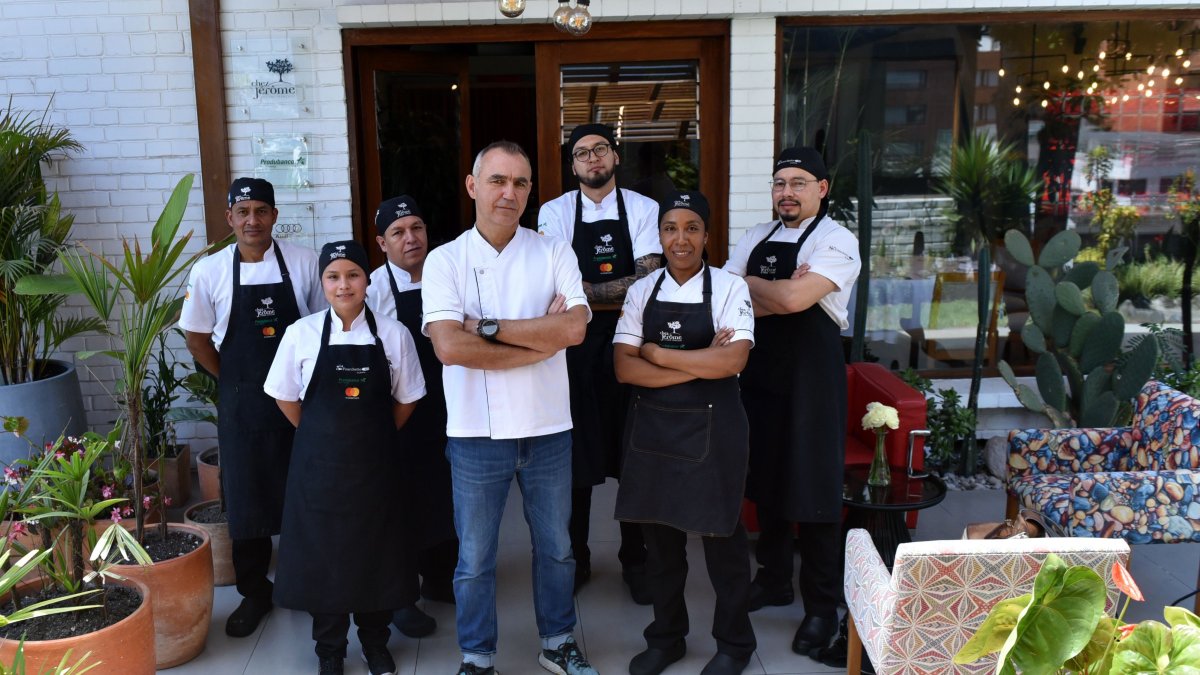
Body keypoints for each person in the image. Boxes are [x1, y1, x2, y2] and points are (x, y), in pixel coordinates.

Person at [422, 140, 599, 675]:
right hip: (476, 433)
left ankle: (559, 641)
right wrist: (540, 344)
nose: (510, 193)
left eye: (520, 183)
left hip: (548, 428)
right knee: (474, 560)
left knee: (558, 549)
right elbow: (449, 347)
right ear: (474, 186)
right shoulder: (445, 259)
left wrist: (488, 329)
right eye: (498, 180)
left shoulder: (552, 251)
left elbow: (574, 327)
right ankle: (477, 656)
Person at [264, 240, 426, 675]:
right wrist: (321, 435)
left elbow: (407, 398)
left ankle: (376, 644)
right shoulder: (301, 334)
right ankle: (330, 651)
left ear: (367, 281)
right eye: (333, 276)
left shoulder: (394, 334)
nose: (343, 284)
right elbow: (284, 396)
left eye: (352, 274)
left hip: (377, 471)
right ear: (322, 283)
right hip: (318, 473)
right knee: (326, 565)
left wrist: (372, 435)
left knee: (378, 560)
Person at [723, 147, 861, 657]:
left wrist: (764, 290)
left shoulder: (837, 239)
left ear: (821, 189)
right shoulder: (755, 235)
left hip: (812, 379)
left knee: (815, 490)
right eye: (780, 182)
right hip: (760, 372)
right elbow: (729, 294)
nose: (787, 191)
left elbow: (793, 302)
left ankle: (822, 609)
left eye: (799, 182)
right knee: (767, 478)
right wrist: (777, 288)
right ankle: (775, 578)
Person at [613, 190, 757, 675]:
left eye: (692, 228)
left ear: (707, 236)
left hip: (716, 428)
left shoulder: (730, 288)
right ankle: (667, 637)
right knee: (661, 548)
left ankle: (735, 644)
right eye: (671, 228)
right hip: (653, 431)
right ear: (659, 235)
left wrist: (658, 354)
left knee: (723, 541)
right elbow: (623, 370)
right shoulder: (641, 291)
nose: (681, 238)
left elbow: (734, 359)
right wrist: (701, 364)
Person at [180, 177, 324, 638]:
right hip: (242, 403)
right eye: (243, 212)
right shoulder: (210, 272)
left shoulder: (303, 262)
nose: (252, 221)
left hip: (300, 400)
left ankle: (311, 585)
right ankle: (254, 592)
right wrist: (234, 381)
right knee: (245, 498)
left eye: (261, 211)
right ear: (229, 219)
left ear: (275, 216)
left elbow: (322, 329)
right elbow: (197, 339)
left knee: (307, 490)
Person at [536, 123, 661, 601]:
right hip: (574, 347)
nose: (593, 160)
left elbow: (650, 277)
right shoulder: (554, 211)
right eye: (582, 153)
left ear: (615, 156)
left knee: (634, 454)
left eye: (600, 150)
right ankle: (578, 559)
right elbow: (552, 283)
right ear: (572, 166)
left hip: (631, 339)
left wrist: (582, 292)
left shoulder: (645, 209)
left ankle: (636, 560)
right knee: (577, 458)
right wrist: (600, 291)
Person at [366, 194, 458, 639]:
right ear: (382, 243)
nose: (410, 238)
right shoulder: (371, 291)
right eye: (399, 233)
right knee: (401, 503)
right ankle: (400, 596)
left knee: (445, 493)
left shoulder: (449, 275)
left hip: (450, 403)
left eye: (417, 228)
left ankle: (441, 578)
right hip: (400, 410)